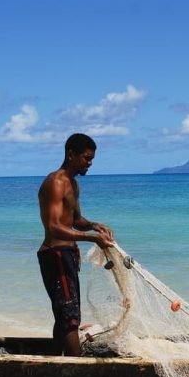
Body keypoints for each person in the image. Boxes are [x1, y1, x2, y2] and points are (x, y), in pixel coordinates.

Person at [37, 133, 114, 356]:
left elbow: (76, 221)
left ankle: (53, 361)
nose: (89, 164)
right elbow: (53, 226)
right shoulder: (55, 183)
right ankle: (76, 366)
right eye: (86, 158)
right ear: (71, 155)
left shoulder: (73, 184)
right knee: (70, 317)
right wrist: (92, 240)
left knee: (64, 314)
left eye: (91, 159)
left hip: (68, 254)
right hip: (55, 255)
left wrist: (94, 225)